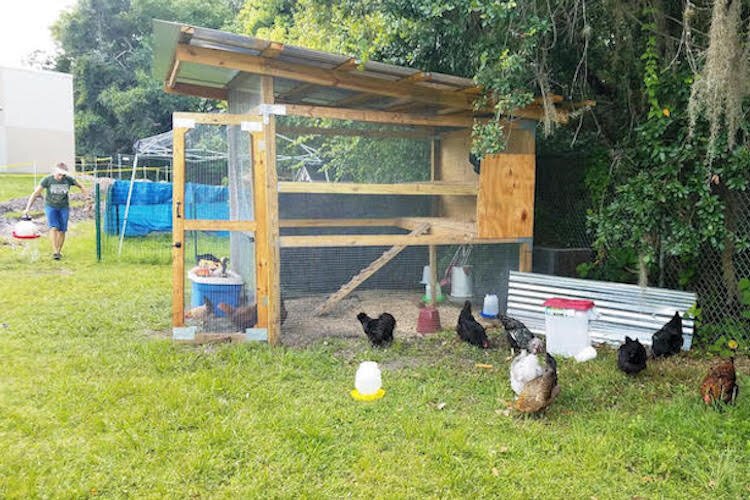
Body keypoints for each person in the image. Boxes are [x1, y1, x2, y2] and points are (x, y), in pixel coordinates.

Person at [23, 162, 87, 260]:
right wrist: (27, 208)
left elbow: (81, 186)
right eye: (59, 174)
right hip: (51, 207)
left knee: (62, 230)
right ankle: (55, 252)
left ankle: (59, 251)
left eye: (63, 175)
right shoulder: (47, 180)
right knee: (53, 227)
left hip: (63, 207)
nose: (61, 177)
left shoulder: (68, 180)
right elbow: (35, 194)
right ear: (54, 172)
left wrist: (87, 198)